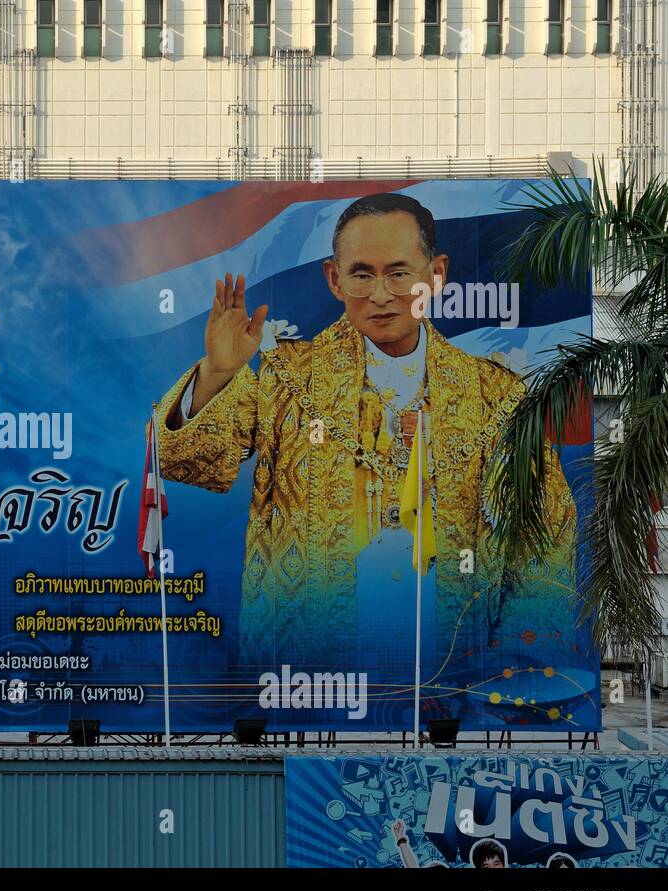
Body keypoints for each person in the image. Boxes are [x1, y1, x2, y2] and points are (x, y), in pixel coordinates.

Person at [156, 193, 577, 687]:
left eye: (399, 273)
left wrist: (511, 662)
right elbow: (184, 461)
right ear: (335, 280)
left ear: (435, 275)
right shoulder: (286, 379)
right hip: (308, 676)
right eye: (361, 274)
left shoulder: (497, 395)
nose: (380, 294)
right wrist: (217, 374)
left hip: (451, 669)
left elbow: (545, 531)